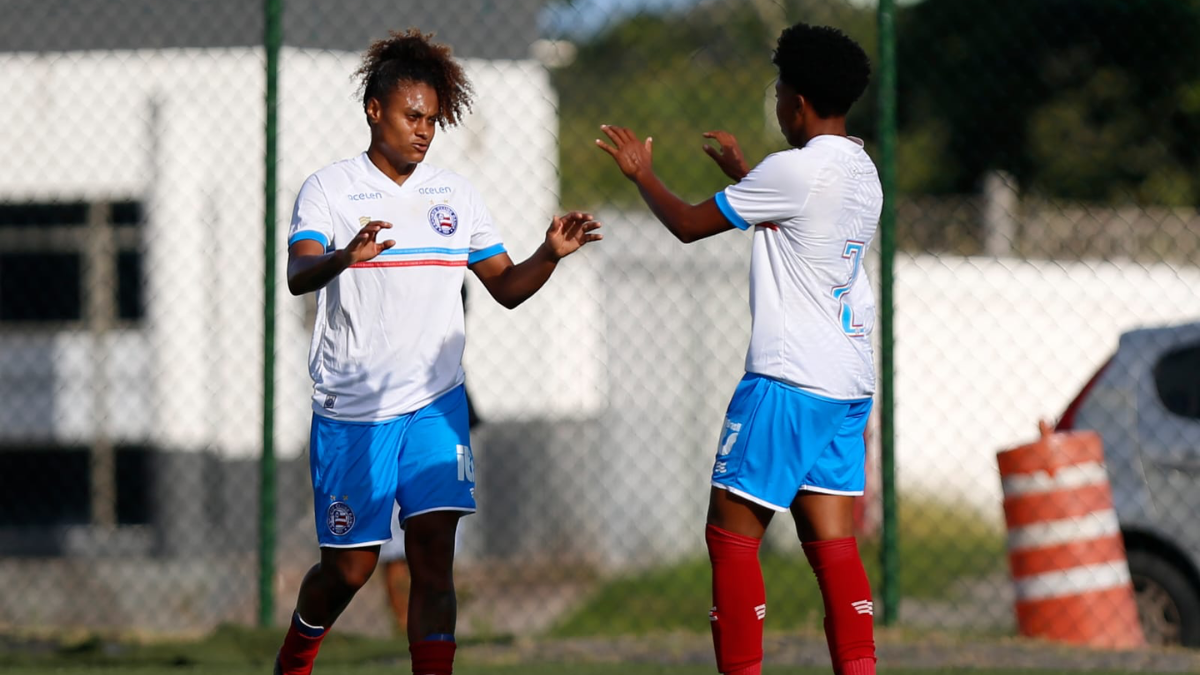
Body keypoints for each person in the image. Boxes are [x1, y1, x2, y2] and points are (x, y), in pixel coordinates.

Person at [275, 28, 601, 675]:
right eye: (412, 116)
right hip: (353, 412)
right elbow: (297, 270)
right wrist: (346, 255)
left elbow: (505, 286)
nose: (424, 131)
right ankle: (295, 656)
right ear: (375, 110)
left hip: (435, 406)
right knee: (351, 568)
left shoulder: (455, 195)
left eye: (433, 119)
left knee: (432, 556)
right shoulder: (330, 190)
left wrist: (548, 255)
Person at [596, 22, 881, 675]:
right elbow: (802, 221)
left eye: (781, 91)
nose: (778, 103)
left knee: (729, 537)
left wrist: (644, 174)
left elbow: (692, 225)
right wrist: (746, 175)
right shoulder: (862, 171)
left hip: (787, 379)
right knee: (833, 547)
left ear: (799, 102)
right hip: (847, 386)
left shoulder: (794, 169)